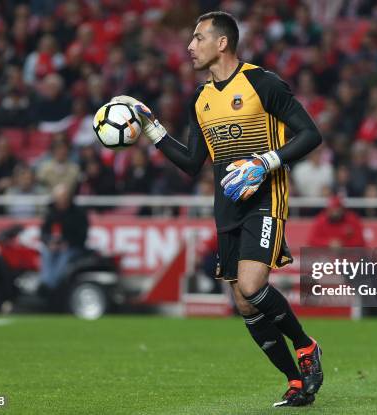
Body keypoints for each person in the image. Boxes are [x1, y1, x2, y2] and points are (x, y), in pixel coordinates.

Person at [112, 11, 323, 407]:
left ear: (221, 42)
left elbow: (311, 133)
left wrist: (266, 162)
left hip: (265, 197)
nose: (190, 46)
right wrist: (152, 128)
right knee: (243, 303)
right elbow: (193, 163)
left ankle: (307, 346)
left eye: (197, 38)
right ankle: (296, 382)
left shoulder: (263, 83)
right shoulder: (201, 99)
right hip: (227, 206)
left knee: (250, 286)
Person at [39, 183, 89, 291]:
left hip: (72, 247)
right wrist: (49, 242)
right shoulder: (51, 212)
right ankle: (46, 281)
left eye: (63, 197)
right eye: (58, 198)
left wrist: (67, 243)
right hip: (54, 245)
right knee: (46, 252)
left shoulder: (78, 213)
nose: (61, 200)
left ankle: (52, 285)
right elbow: (43, 233)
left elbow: (82, 236)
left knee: (65, 256)